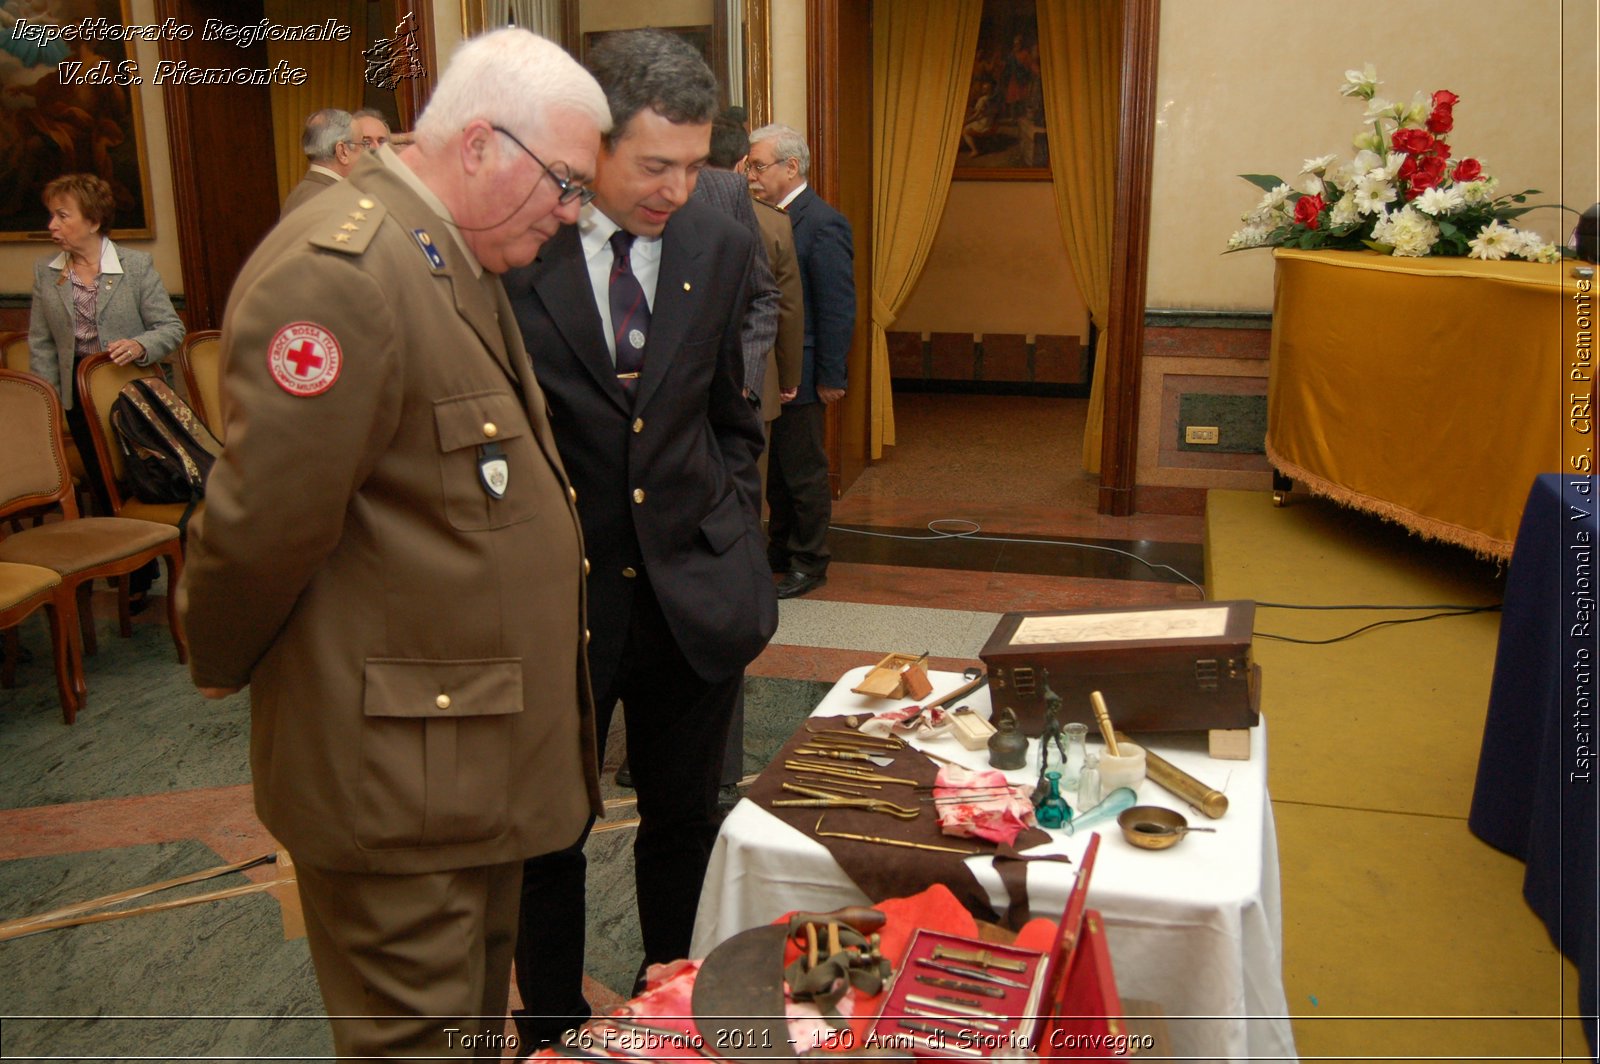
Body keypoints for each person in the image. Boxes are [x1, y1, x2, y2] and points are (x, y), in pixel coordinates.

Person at [179, 28, 610, 1059]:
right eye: (562, 181)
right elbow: (261, 529)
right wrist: (216, 658)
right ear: (476, 145)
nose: (571, 210)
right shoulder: (348, 272)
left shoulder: (439, 257)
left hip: (461, 767)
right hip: (396, 781)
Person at [502, 28, 777, 1047]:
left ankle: (674, 1014)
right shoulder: (515, 241)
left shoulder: (720, 229)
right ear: (591, 145)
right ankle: (553, 1032)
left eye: (694, 163)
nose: (675, 187)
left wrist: (736, 537)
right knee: (547, 835)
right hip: (562, 597)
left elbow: (726, 412)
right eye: (652, 164)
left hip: (690, 589)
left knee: (685, 820)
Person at [28, 171, 184, 516]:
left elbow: (171, 328)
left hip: (129, 389)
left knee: (141, 478)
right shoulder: (46, 272)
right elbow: (41, 343)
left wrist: (140, 345)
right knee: (100, 481)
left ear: (94, 221)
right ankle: (118, 559)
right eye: (51, 215)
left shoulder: (136, 266)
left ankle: (151, 553)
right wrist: (49, 404)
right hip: (77, 393)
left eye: (62, 215)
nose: (52, 224)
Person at [745, 122, 856, 599]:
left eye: (759, 165)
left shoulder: (822, 221)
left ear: (791, 167)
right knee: (777, 471)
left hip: (808, 371)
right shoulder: (761, 215)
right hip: (772, 370)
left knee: (804, 470)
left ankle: (810, 560)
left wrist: (832, 374)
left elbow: (836, 305)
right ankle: (782, 548)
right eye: (748, 166)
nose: (751, 174)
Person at [280, 108, 365, 218]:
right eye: (363, 144)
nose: (366, 153)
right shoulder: (340, 201)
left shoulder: (297, 194)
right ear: (342, 152)